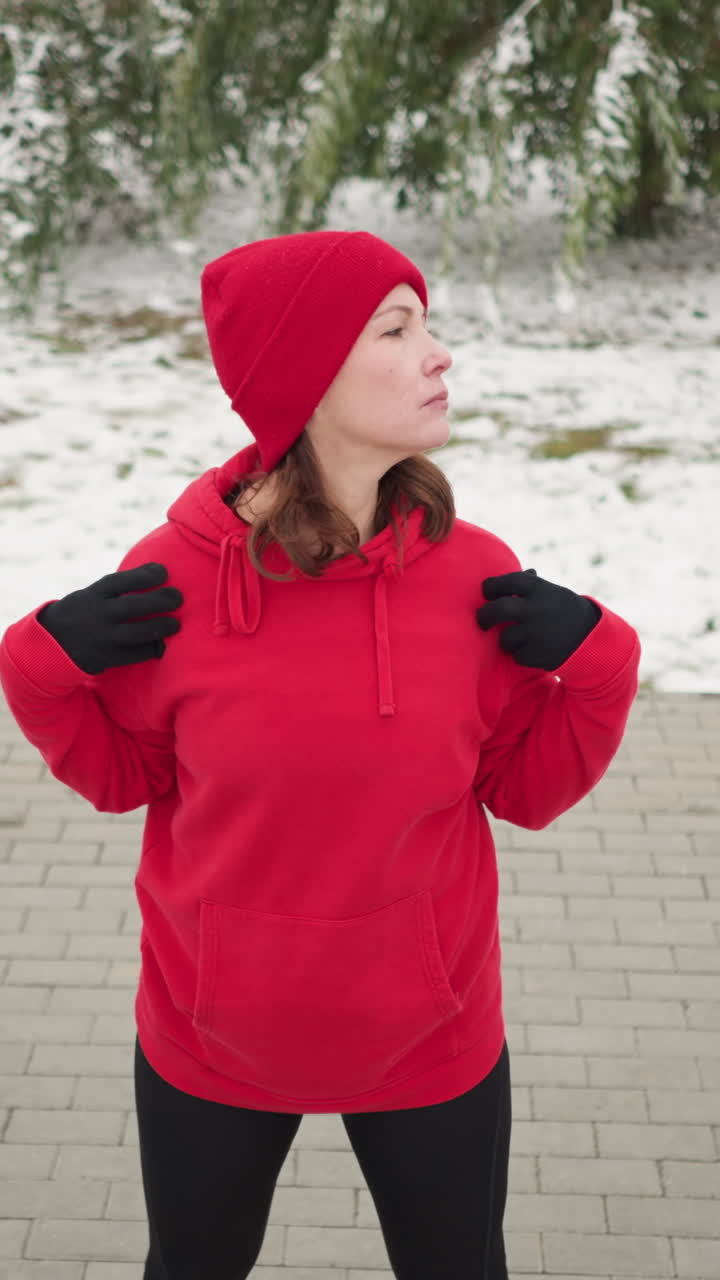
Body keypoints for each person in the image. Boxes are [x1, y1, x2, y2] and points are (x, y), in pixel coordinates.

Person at [0, 229, 641, 1280]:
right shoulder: (171, 578)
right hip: (213, 1039)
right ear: (306, 375)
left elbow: (524, 792)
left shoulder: (474, 576)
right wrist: (36, 665)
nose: (441, 354)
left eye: (426, 323)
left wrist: (603, 663)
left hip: (430, 1036)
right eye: (399, 328)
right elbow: (119, 774)